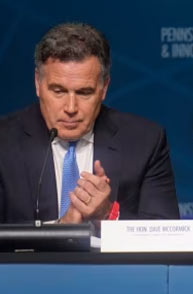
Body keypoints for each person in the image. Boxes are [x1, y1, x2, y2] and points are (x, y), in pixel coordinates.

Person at [0, 22, 180, 224]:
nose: (70, 108)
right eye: (58, 91)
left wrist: (109, 214)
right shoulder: (4, 142)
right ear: (37, 83)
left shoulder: (145, 142)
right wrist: (59, 229)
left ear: (104, 88)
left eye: (84, 93)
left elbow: (165, 233)